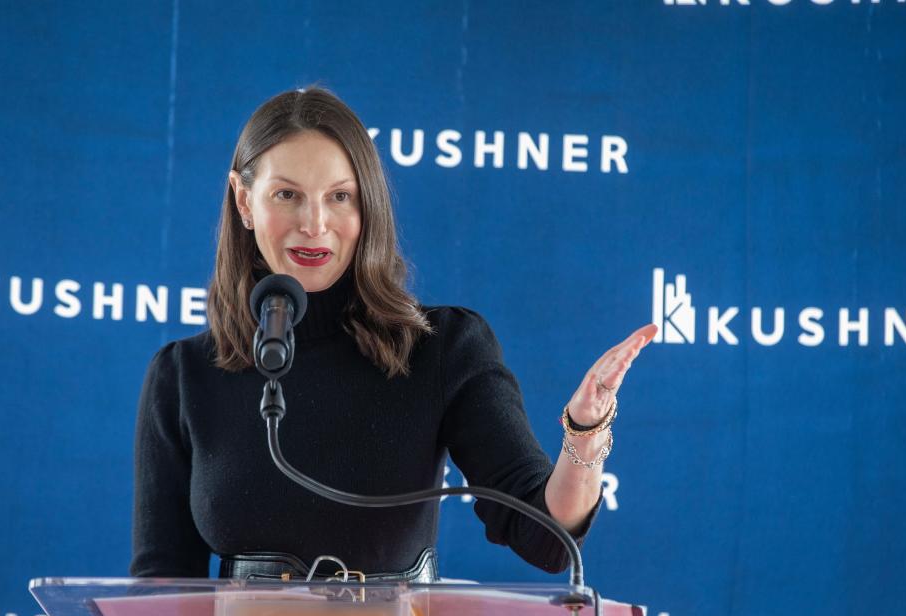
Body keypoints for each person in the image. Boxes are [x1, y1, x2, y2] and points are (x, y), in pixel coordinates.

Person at [130, 87, 656, 581]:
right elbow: (158, 589)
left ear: (369, 206)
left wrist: (585, 432)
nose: (314, 223)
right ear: (244, 201)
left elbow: (544, 537)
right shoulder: (183, 376)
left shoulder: (444, 348)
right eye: (287, 194)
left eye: (340, 196)